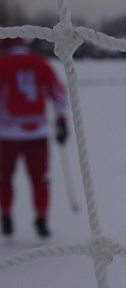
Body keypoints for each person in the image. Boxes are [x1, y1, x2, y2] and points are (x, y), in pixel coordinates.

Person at [0, 37, 69, 239]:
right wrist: (61, 120)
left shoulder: (2, 64)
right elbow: (58, 92)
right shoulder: (41, 63)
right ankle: (41, 218)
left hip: (7, 134)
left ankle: (6, 216)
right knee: (40, 179)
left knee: (4, 178)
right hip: (37, 132)